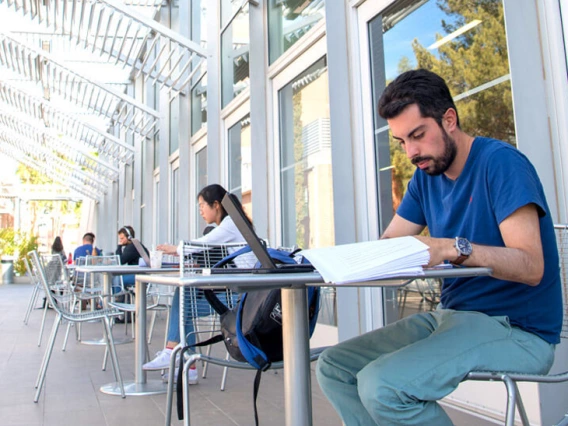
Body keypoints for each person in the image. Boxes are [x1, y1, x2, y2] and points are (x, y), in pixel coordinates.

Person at [315, 69, 562, 426]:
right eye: (401, 142)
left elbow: (531, 266)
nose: (411, 152)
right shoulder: (425, 178)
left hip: (517, 330)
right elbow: (391, 243)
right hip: (451, 319)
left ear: (449, 119)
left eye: (418, 135)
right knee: (335, 367)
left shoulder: (501, 163)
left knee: (381, 386)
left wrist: (451, 248)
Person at [142, 184, 247, 384]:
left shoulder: (231, 224)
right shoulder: (230, 224)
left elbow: (202, 243)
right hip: (238, 290)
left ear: (216, 205)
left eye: (202, 205)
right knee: (185, 299)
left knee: (185, 299)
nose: (200, 211)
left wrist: (175, 249)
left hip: (243, 296)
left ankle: (174, 352)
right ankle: (185, 363)